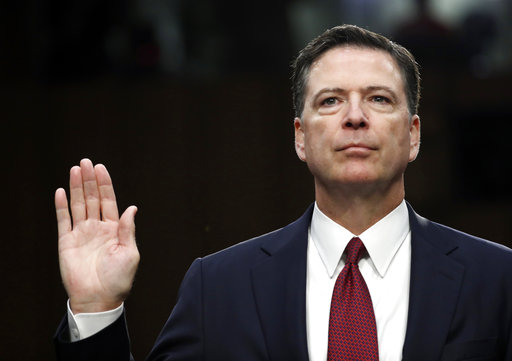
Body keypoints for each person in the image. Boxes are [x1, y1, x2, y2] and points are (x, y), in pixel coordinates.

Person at [54, 24, 512, 361]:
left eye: (378, 99)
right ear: (300, 137)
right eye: (330, 101)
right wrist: (96, 311)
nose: (354, 117)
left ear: (413, 135)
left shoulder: (498, 279)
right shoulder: (219, 287)